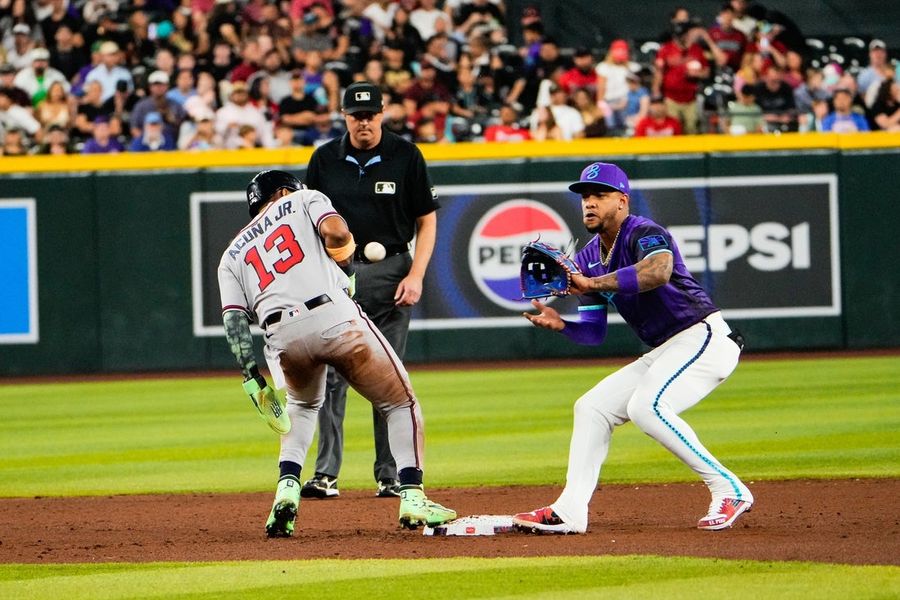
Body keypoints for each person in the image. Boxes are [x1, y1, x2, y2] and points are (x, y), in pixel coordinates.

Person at [513, 162, 753, 534]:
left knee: (647, 407)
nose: (589, 203)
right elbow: (593, 333)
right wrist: (563, 325)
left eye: (599, 195)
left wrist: (591, 284)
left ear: (622, 201)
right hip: (665, 349)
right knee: (591, 407)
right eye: (584, 197)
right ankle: (570, 510)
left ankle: (729, 488)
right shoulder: (588, 257)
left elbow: (657, 271)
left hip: (702, 336)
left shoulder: (644, 231)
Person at [216, 169, 455, 537]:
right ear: (283, 191)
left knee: (302, 407)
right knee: (399, 403)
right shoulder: (304, 198)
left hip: (281, 337)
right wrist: (344, 265)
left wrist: (252, 376)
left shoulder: (231, 253)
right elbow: (337, 233)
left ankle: (287, 490)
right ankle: (412, 496)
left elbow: (234, 323)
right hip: (332, 314)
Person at [300, 81, 439, 499]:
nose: (364, 122)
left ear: (382, 114)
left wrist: (415, 275)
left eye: (371, 114)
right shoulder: (325, 159)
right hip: (337, 275)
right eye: (356, 115)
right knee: (330, 378)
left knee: (387, 378)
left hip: (393, 270)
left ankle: (391, 475)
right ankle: (326, 474)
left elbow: (426, 220)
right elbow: (308, 224)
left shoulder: (405, 155)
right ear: (344, 116)